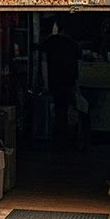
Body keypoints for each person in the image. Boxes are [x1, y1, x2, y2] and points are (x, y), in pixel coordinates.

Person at [41, 18, 80, 146]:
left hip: (55, 82)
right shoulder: (73, 44)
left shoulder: (51, 41)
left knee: (59, 110)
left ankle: (59, 137)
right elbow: (77, 64)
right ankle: (68, 137)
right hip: (68, 82)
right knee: (69, 109)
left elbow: (42, 56)